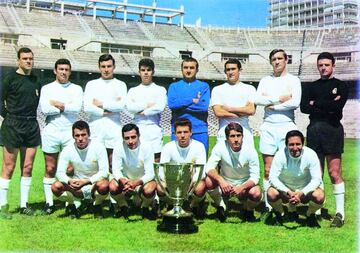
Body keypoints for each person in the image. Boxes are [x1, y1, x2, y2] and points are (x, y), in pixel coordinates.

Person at [300, 52, 348, 227]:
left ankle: (340, 214)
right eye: (321, 65)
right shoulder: (310, 86)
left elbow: (337, 107)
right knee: (316, 174)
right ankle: (316, 211)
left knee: (334, 173)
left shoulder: (340, 85)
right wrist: (327, 102)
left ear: (333, 66)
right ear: (317, 66)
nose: (323, 68)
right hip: (314, 131)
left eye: (327, 65)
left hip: (333, 129)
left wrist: (316, 103)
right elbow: (304, 107)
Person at [254, 49, 301, 213]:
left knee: (287, 168)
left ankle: (290, 204)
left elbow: (295, 102)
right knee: (268, 168)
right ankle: (269, 205)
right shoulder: (265, 80)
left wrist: (272, 104)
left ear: (286, 59)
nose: (277, 61)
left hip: (287, 125)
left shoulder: (294, 80)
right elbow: (257, 99)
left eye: (280, 58)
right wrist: (279, 98)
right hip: (268, 125)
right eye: (273, 59)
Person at [0, 47, 41, 219]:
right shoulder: (9, 79)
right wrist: (8, 117)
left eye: (31, 58)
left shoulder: (36, 80)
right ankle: (2, 206)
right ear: (18, 60)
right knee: (9, 167)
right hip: (13, 124)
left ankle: (24, 205)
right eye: (25, 58)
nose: (28, 61)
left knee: (28, 167)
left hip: (31, 124)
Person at [39, 58, 83, 215]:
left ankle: (69, 203)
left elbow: (77, 108)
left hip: (69, 131)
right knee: (50, 168)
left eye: (66, 69)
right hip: (51, 130)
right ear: (55, 70)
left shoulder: (77, 88)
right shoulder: (47, 88)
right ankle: (49, 203)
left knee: (70, 168)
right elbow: (44, 109)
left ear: (70, 71)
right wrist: (66, 107)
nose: (64, 72)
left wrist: (58, 104)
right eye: (61, 69)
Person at [51, 121, 109, 218]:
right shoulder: (68, 149)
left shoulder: (98, 147)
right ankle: (73, 204)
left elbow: (104, 171)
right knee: (55, 186)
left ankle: (97, 205)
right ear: (73, 136)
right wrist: (69, 181)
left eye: (83, 135)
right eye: (77, 135)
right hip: (76, 186)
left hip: (94, 185)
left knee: (104, 185)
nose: (80, 139)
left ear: (89, 134)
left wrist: (87, 181)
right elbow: (59, 172)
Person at [205, 123, 261, 223]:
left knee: (256, 192)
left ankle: (248, 210)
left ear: (242, 137)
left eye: (238, 136)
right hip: (225, 183)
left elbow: (255, 177)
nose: (236, 139)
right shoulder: (220, 147)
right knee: (209, 181)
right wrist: (221, 180)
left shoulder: (250, 150)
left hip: (243, 185)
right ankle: (221, 205)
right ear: (227, 138)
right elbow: (209, 167)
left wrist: (242, 187)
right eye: (232, 136)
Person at [268, 130, 325, 227]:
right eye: (291, 144)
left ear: (303, 144)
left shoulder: (311, 154)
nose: (295, 148)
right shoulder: (280, 154)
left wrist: (301, 193)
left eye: (298, 144)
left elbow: (317, 179)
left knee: (319, 196)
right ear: (286, 145)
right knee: (271, 193)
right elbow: (272, 177)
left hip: (304, 190)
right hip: (286, 190)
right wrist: (288, 192)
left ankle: (310, 215)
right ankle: (280, 213)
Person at [83, 53, 127, 168]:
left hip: (114, 129)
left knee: (113, 164)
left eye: (109, 66)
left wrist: (100, 103)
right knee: (95, 165)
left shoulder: (120, 85)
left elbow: (121, 106)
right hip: (95, 128)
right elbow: (87, 107)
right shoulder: (91, 84)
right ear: (99, 67)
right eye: (103, 66)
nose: (106, 69)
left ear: (114, 67)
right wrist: (105, 111)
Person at [158, 118, 207, 217]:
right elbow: (161, 171)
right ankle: (172, 204)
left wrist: (191, 182)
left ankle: (195, 204)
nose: (182, 135)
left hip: (191, 181)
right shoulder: (168, 147)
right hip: (173, 180)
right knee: (160, 187)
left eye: (185, 132)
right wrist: (170, 182)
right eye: (179, 132)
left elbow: (201, 171)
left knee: (200, 187)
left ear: (191, 133)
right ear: (175, 134)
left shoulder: (199, 146)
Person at [109, 123, 157, 219]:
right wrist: (123, 181)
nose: (130, 141)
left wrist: (136, 182)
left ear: (138, 136)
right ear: (123, 138)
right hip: (126, 181)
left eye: (133, 137)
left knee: (150, 189)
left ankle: (145, 208)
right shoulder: (118, 147)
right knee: (112, 186)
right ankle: (124, 207)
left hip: (142, 181)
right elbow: (116, 169)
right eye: (127, 138)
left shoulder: (147, 147)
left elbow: (151, 173)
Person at [126, 58, 167, 162]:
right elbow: (130, 108)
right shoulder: (133, 90)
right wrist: (148, 105)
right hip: (138, 128)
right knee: (139, 160)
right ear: (139, 72)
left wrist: (143, 111)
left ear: (153, 72)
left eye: (148, 70)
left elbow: (160, 107)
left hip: (153, 127)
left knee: (155, 160)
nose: (146, 73)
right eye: (143, 70)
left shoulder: (160, 89)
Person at [167, 57, 210, 153]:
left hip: (199, 130)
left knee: (200, 163)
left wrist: (181, 104)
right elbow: (172, 104)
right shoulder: (174, 86)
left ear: (197, 70)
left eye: (191, 68)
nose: (188, 70)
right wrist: (191, 100)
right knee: (178, 163)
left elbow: (203, 107)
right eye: (186, 67)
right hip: (178, 131)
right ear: (181, 69)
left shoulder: (204, 86)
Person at [211, 59, 256, 149]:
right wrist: (242, 112)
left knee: (246, 161)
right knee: (224, 161)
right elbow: (218, 112)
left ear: (239, 70)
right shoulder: (217, 89)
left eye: (233, 69)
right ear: (225, 71)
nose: (230, 72)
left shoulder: (250, 88)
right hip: (224, 130)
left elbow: (251, 110)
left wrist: (229, 109)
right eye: (228, 70)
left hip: (244, 131)